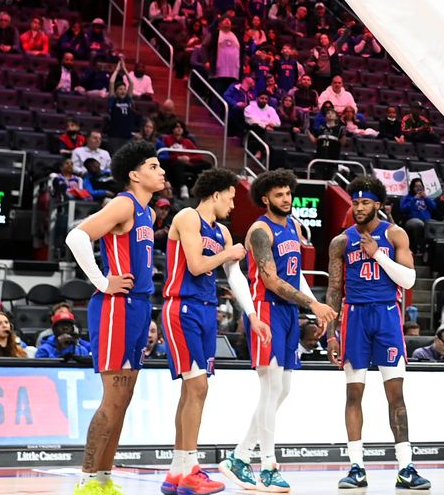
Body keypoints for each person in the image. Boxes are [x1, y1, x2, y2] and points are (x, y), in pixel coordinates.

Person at [64, 140, 169, 495]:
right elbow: (76, 237)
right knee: (113, 398)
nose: (161, 172)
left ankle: (103, 478)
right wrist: (102, 281)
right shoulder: (124, 203)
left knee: (124, 399)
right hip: (116, 307)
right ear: (134, 175)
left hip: (138, 305)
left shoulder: (148, 213)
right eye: (153, 166)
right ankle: (86, 479)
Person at [225, 170, 335, 490]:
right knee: (271, 389)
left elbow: (295, 275)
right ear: (265, 199)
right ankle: (268, 466)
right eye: (279, 195)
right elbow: (271, 280)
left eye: (288, 193)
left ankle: (239, 457)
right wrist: (312, 304)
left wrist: (314, 307)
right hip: (266, 309)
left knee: (282, 390)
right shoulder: (260, 231)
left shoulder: (294, 227)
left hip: (288, 312)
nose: (286, 199)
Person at [325, 173, 427, 490]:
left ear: (378, 205)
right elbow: (334, 290)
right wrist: (330, 333)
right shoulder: (341, 242)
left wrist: (378, 254)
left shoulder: (394, 234)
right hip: (354, 317)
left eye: (365, 202)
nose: (358, 208)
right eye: (355, 203)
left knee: (395, 395)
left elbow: (408, 280)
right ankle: (356, 467)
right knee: (353, 394)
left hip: (386, 315)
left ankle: (406, 467)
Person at [160, 168, 248, 494]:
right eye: (231, 198)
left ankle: (177, 472)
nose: (233, 205)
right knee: (197, 387)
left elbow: (234, 276)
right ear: (216, 194)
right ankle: (191, 469)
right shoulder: (187, 217)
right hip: (182, 307)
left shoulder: (222, 232)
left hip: (207, 310)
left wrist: (252, 314)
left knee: (191, 390)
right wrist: (228, 253)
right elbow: (196, 265)